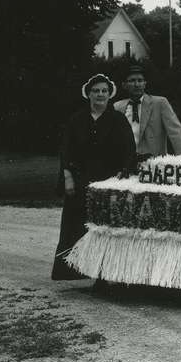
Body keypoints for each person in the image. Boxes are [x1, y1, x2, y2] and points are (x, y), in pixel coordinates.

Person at [52, 74, 135, 280]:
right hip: (81, 181)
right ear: (88, 94)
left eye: (104, 91)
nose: (100, 95)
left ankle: (104, 274)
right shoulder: (76, 120)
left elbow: (128, 150)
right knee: (76, 224)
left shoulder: (118, 119)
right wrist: (68, 178)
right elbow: (66, 152)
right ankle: (75, 270)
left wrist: (123, 173)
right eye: (96, 91)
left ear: (110, 94)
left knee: (105, 229)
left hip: (108, 182)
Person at [114, 65, 181, 160]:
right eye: (132, 80)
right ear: (124, 85)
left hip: (153, 164)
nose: (136, 84)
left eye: (140, 80)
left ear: (145, 83)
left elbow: (176, 133)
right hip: (126, 163)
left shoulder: (159, 103)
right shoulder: (117, 107)